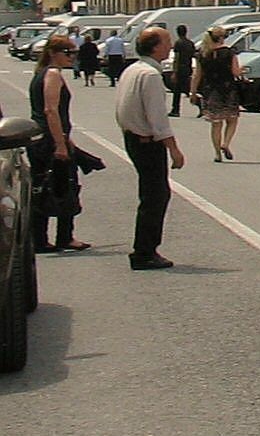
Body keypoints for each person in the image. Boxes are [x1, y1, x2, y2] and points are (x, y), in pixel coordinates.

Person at [114, 25, 183, 270]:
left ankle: (145, 249)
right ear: (155, 47)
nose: (170, 46)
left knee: (152, 194)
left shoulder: (133, 70)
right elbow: (158, 119)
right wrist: (174, 149)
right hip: (147, 142)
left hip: (133, 137)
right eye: (166, 41)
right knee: (156, 195)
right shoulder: (151, 75)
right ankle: (145, 251)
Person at [28, 34, 98, 253]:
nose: (71, 57)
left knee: (42, 185)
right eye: (67, 53)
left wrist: (67, 139)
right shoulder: (52, 74)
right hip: (49, 139)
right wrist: (60, 143)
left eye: (73, 53)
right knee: (65, 184)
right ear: (52, 53)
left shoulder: (40, 73)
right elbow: (51, 110)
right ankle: (64, 237)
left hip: (42, 137)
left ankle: (40, 238)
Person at [196, 27, 243, 162]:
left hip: (211, 90)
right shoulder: (229, 52)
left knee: (216, 123)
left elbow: (197, 75)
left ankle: (217, 153)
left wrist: (193, 91)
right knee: (232, 119)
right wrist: (242, 71)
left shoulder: (203, 53)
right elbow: (235, 72)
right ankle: (226, 143)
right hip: (228, 89)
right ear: (222, 38)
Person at [167, 24, 197, 117]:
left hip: (180, 68)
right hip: (188, 68)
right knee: (186, 88)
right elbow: (193, 55)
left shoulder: (178, 43)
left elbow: (177, 58)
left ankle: (175, 109)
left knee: (177, 90)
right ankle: (199, 103)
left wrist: (174, 72)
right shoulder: (190, 43)